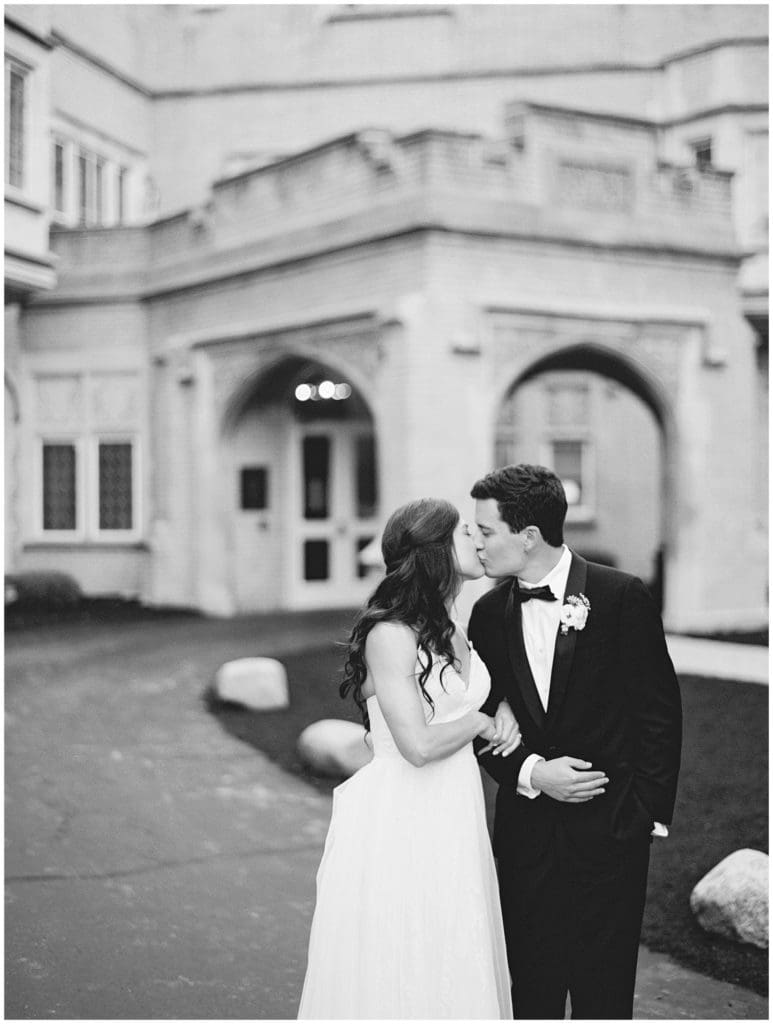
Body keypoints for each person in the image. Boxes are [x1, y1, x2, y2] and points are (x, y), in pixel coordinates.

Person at [468, 464, 682, 1020]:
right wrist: (533, 774)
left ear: (528, 536)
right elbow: (482, 720)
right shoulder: (486, 616)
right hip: (526, 838)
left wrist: (644, 814)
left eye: (486, 531)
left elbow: (658, 712)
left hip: (611, 833)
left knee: (603, 995)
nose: (477, 543)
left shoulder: (620, 596)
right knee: (531, 992)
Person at [298, 498, 516, 1019]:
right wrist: (480, 723)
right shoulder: (390, 634)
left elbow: (464, 697)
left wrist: (501, 705)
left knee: (454, 943)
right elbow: (417, 746)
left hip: (455, 807)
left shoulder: (455, 627)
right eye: (465, 532)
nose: (478, 539)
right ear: (435, 550)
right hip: (404, 812)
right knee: (406, 948)